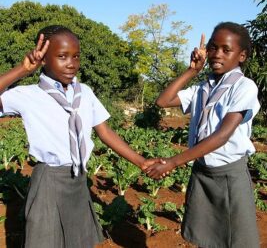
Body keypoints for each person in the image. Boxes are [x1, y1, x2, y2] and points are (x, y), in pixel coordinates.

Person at [0, 25, 163, 248]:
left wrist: (142, 162)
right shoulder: (28, 95)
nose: (71, 63)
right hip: (48, 180)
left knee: (77, 241)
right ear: (44, 59)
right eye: (62, 56)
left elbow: (104, 132)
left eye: (76, 56)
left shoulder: (84, 92)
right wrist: (22, 69)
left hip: (78, 180)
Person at [145, 22, 260, 247]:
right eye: (212, 48)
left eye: (226, 50)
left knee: (236, 239)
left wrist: (172, 162)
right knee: (206, 237)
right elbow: (163, 101)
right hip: (202, 172)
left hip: (229, 176)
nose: (217, 54)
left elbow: (222, 136)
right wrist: (192, 71)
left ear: (242, 55)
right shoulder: (202, 88)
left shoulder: (244, 87)